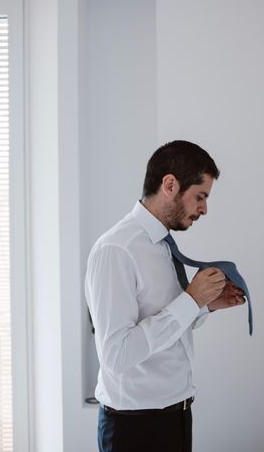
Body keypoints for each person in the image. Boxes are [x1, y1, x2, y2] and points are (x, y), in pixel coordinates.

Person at [85, 140, 246, 452]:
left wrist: (204, 306)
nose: (204, 209)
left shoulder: (160, 245)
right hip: (134, 431)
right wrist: (191, 301)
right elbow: (117, 355)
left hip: (176, 417)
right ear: (170, 184)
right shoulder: (116, 250)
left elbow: (160, 316)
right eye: (200, 196)